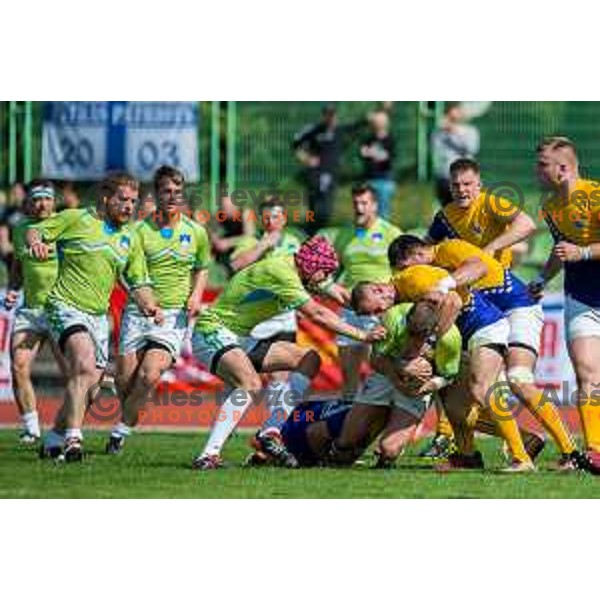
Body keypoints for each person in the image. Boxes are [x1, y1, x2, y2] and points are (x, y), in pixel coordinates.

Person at [426, 158, 579, 468]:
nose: (462, 190)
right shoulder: (445, 218)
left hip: (513, 301)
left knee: (519, 379)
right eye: (456, 185)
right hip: (483, 307)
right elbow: (424, 252)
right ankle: (470, 450)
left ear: (478, 184)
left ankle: (569, 453)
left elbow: (526, 225)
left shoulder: (492, 202)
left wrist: (487, 251)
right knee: (462, 393)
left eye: (467, 184)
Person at [190, 235, 385, 470]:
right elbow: (318, 314)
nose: (326, 278)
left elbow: (344, 296)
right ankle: (207, 456)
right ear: (312, 267)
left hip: (241, 338)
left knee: (309, 359)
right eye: (325, 273)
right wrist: (363, 335)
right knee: (250, 384)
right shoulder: (281, 272)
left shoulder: (304, 269)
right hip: (212, 331)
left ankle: (270, 431)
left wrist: (384, 303)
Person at [26, 172, 163, 462]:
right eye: (123, 200)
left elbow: (138, 282)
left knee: (90, 389)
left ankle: (52, 438)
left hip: (98, 318)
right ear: (105, 198)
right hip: (65, 305)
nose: (129, 206)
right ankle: (74, 440)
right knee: (85, 363)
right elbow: (36, 230)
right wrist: (36, 242)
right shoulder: (76, 218)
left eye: (133, 202)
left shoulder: (130, 238)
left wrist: (151, 305)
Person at [388, 238, 535, 471]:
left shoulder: (417, 276)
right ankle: (468, 457)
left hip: (485, 325)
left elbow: (457, 296)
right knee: (454, 406)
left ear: (412, 258)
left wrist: (433, 342)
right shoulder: (402, 287)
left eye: (406, 266)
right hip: (462, 335)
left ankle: (522, 457)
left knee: (481, 389)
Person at [277, 298, 462, 468]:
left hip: (417, 387)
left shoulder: (450, 338)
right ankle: (335, 455)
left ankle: (383, 464)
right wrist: (400, 369)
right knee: (346, 442)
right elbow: (375, 360)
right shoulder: (394, 319)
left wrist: (428, 387)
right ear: (407, 320)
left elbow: (449, 375)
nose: (415, 341)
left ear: (434, 329)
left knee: (389, 449)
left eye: (420, 336)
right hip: (385, 374)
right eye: (411, 333)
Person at [106, 166, 210, 454]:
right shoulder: (138, 231)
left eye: (178, 191)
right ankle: (128, 414)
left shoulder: (196, 232)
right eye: (167, 191)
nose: (173, 196)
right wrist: (143, 301)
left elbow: (202, 268)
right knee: (125, 382)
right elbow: (124, 274)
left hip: (173, 316)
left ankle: (119, 433)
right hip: (137, 314)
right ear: (156, 194)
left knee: (149, 375)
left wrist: (197, 296)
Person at [531, 136, 600, 473]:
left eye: (542, 164)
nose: (537, 170)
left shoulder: (596, 195)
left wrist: (584, 252)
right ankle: (594, 450)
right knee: (587, 373)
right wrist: (542, 280)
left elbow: (577, 250)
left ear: (563, 168)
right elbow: (561, 251)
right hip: (581, 297)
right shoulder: (550, 208)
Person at [229, 196, 307, 463]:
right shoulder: (251, 242)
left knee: (280, 381)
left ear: (284, 218)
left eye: (275, 216)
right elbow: (235, 265)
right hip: (253, 325)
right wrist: (264, 244)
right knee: (244, 382)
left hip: (284, 322)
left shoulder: (296, 243)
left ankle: (271, 434)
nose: (271, 221)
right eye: (266, 217)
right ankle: (224, 431)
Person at [322, 183, 401, 402]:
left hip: (380, 310)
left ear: (375, 205)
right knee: (348, 373)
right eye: (355, 203)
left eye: (364, 203)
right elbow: (332, 268)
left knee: (384, 368)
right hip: (350, 308)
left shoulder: (391, 232)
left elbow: (405, 269)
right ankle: (346, 418)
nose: (359, 207)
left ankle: (401, 412)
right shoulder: (344, 234)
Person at [3, 180, 65, 444]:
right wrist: (14, 288)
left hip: (61, 310)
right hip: (30, 311)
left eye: (46, 199)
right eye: (36, 199)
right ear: (28, 202)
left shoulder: (65, 226)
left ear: (54, 201)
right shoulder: (19, 229)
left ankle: (69, 429)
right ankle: (31, 427)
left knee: (74, 376)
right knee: (18, 366)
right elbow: (18, 263)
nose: (41, 204)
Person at [292, 105, 367, 234]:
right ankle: (309, 232)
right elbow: (296, 144)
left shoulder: (340, 130)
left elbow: (359, 126)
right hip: (315, 174)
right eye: (328, 114)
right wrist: (306, 158)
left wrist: (372, 116)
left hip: (331, 174)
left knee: (325, 207)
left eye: (332, 114)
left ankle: (319, 231)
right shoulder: (315, 130)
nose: (330, 118)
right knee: (313, 204)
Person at [431, 102, 480, 206]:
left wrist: (453, 131)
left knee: (466, 208)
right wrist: (440, 130)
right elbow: (436, 147)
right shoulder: (441, 132)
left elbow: (471, 148)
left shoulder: (470, 131)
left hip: (465, 177)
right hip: (445, 176)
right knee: (446, 209)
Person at [360, 109, 396, 220]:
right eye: (375, 121)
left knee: (383, 213)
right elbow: (363, 153)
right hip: (369, 179)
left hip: (384, 180)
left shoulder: (390, 139)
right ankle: (310, 222)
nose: (377, 123)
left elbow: (388, 157)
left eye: (380, 121)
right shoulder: (368, 139)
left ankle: (382, 236)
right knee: (367, 212)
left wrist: (371, 153)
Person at [209, 194, 256, 276]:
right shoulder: (220, 215)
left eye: (229, 207)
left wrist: (228, 243)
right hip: (225, 249)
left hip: (244, 246)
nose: (226, 210)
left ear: (236, 206)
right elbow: (213, 234)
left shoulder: (246, 213)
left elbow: (250, 236)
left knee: (248, 244)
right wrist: (216, 242)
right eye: (224, 207)